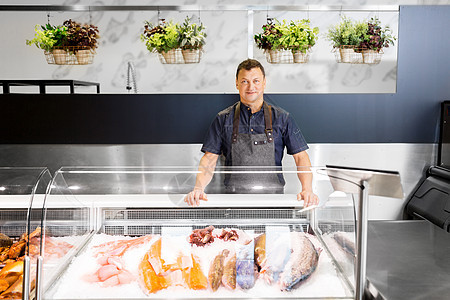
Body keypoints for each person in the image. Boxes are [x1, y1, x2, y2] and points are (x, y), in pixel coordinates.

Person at [185, 58, 318, 207]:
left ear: (264, 82)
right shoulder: (223, 119)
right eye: (244, 81)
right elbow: (209, 159)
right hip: (233, 203)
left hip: (274, 203)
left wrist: (307, 189)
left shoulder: (282, 118)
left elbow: (301, 157)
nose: (250, 87)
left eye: (256, 81)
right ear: (236, 83)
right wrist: (198, 188)